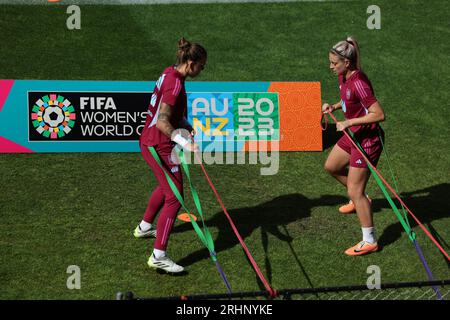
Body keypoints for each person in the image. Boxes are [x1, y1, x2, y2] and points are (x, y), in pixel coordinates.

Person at [134, 38, 206, 272]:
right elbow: (163, 120)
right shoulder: (175, 85)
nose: (202, 70)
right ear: (191, 62)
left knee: (166, 187)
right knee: (175, 198)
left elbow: (167, 114)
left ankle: (145, 226)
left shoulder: (170, 73)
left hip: (150, 141)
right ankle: (159, 255)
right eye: (202, 66)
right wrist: (184, 141)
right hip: (159, 145)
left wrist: (184, 122)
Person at [323, 36, 385, 256]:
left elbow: (379, 114)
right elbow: (349, 100)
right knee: (331, 166)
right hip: (353, 136)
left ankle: (369, 240)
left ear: (346, 63)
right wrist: (335, 106)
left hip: (367, 141)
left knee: (354, 189)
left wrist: (349, 122)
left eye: (334, 63)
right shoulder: (344, 76)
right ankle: (361, 198)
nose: (330, 66)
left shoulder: (358, 82)